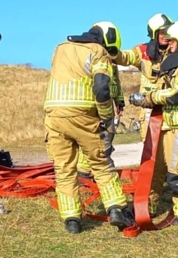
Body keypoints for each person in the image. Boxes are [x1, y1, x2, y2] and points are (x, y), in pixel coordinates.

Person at [44, 22, 129, 234]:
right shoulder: (97, 51)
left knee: (64, 170)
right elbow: (101, 87)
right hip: (83, 114)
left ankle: (72, 220)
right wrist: (106, 116)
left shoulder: (60, 47)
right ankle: (116, 209)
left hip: (54, 115)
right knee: (100, 164)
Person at [130, 20, 178, 224]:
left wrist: (151, 97)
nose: (170, 45)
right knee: (155, 171)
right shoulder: (177, 62)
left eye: (173, 41)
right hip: (171, 127)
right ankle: (147, 207)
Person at [115, 13, 173, 142]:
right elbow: (125, 57)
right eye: (162, 32)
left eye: (168, 31)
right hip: (149, 109)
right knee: (150, 151)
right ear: (154, 33)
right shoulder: (143, 51)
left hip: (170, 107)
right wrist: (109, 51)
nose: (165, 36)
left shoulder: (177, 52)